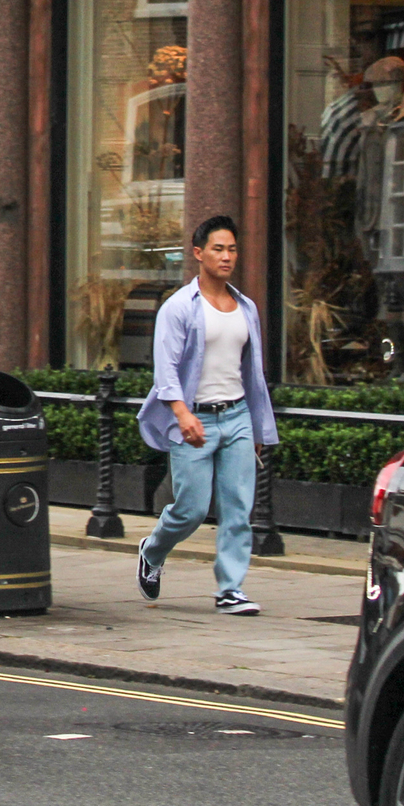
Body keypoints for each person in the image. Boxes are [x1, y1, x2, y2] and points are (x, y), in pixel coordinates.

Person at [134, 215, 280, 616]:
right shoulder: (178, 307)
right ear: (198, 253)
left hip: (236, 417)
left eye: (232, 249)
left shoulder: (245, 308)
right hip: (193, 419)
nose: (226, 256)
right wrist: (182, 414)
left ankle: (230, 589)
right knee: (192, 509)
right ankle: (153, 548)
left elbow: (252, 375)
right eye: (218, 248)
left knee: (238, 507)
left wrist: (257, 428)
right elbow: (165, 372)